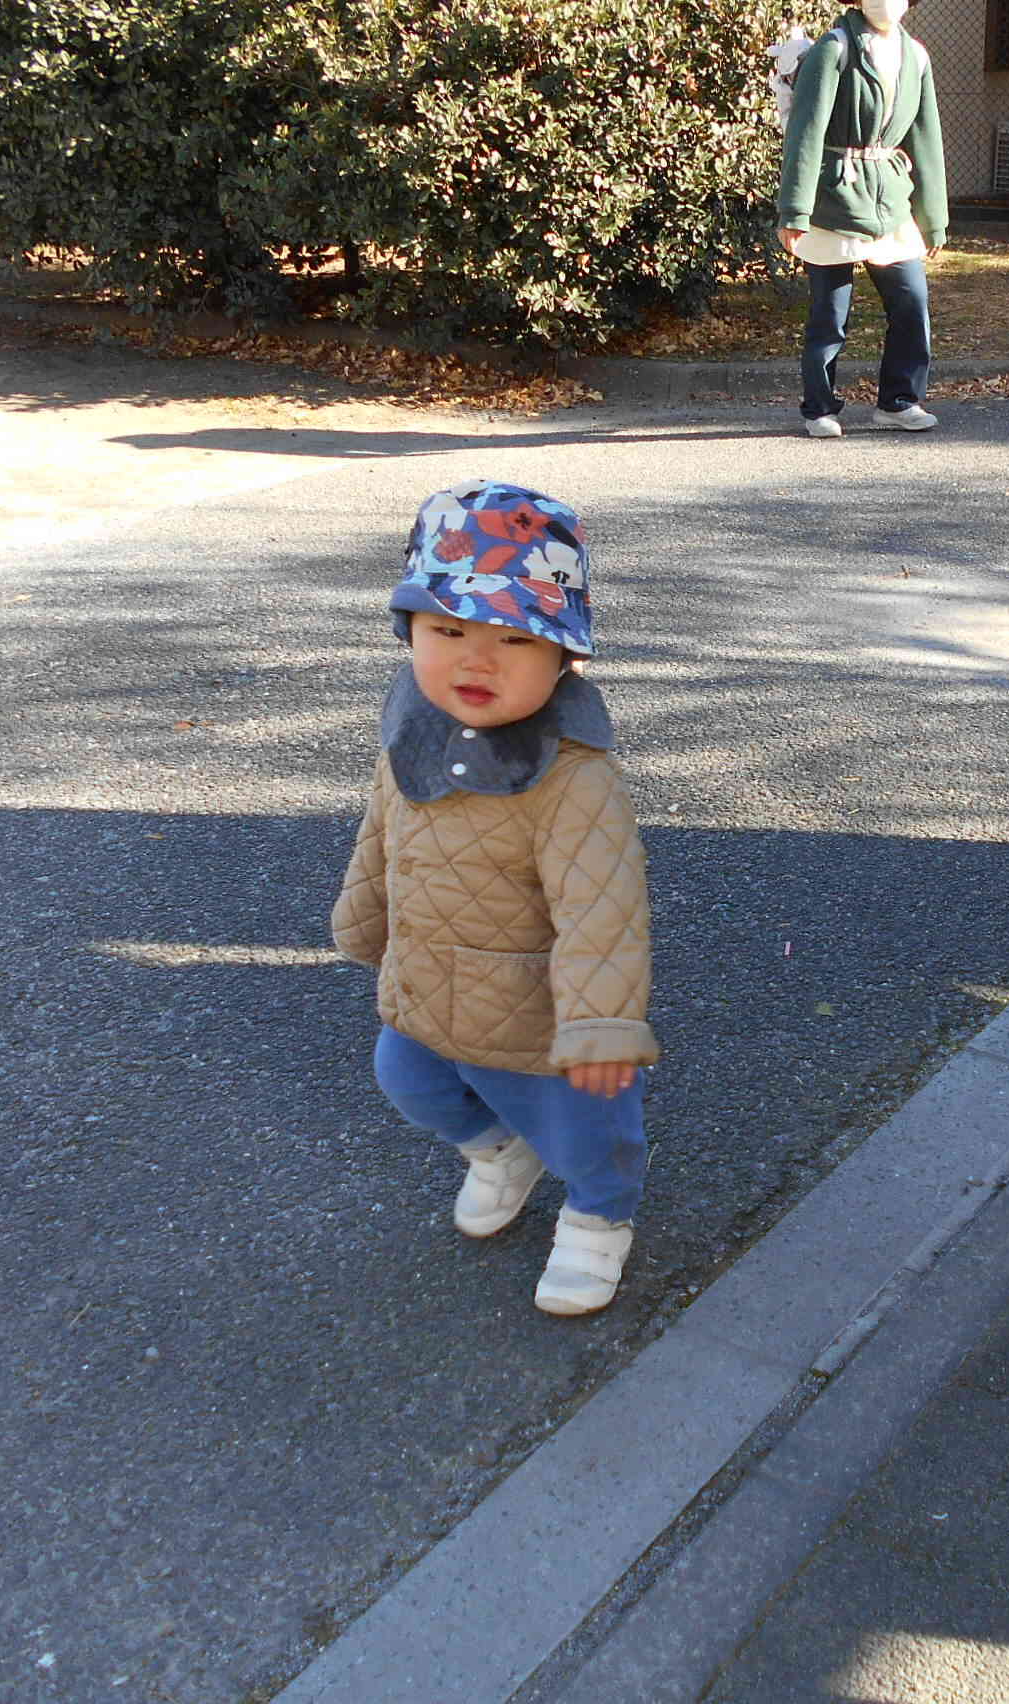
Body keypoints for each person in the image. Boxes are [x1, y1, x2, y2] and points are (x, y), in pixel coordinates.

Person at [332, 481, 657, 1315]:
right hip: (427, 981)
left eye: (515, 638)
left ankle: (598, 1215)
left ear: (564, 656)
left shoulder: (573, 776)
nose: (476, 660)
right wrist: (364, 917)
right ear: (411, 632)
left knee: (587, 1132)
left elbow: (603, 907)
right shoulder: (414, 728)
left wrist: (602, 1024)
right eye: (447, 631)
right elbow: (383, 831)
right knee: (407, 1077)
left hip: (539, 1014)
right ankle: (499, 1153)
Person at [776, 0, 948, 439]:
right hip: (833, 196)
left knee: (912, 304)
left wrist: (934, 219)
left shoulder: (917, 56)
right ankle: (819, 408)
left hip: (890, 198)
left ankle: (899, 401)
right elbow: (806, 132)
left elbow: (926, 137)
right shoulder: (832, 49)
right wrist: (795, 210)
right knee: (829, 315)